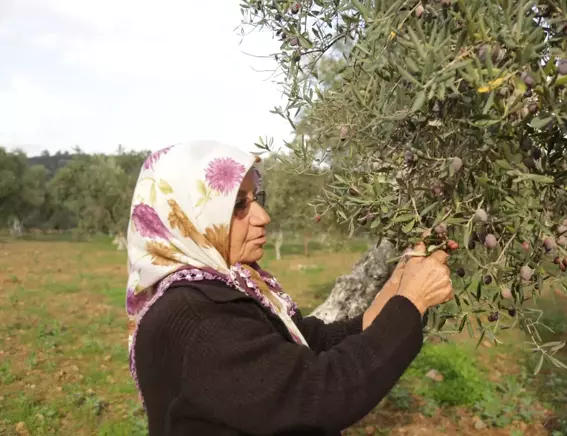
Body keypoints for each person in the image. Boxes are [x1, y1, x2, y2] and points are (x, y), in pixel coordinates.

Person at [125, 140, 454, 436]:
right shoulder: (197, 319)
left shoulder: (223, 289)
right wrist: (412, 302)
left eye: (257, 199)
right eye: (239, 205)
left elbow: (303, 344)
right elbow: (317, 395)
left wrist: (399, 284)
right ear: (188, 217)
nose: (263, 216)